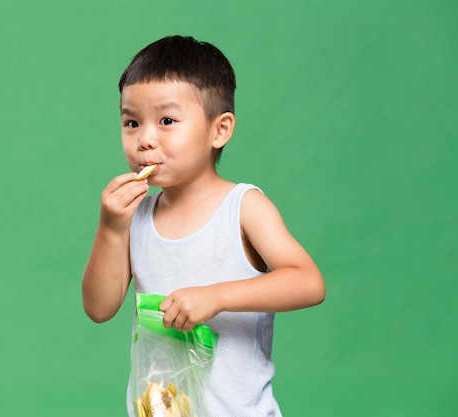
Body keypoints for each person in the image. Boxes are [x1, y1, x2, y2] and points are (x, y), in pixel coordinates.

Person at [82, 35, 326, 416]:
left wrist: (215, 296)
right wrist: (110, 229)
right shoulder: (137, 217)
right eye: (131, 122)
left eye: (166, 121)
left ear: (220, 130)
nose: (144, 139)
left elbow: (308, 282)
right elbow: (99, 308)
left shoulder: (243, 207)